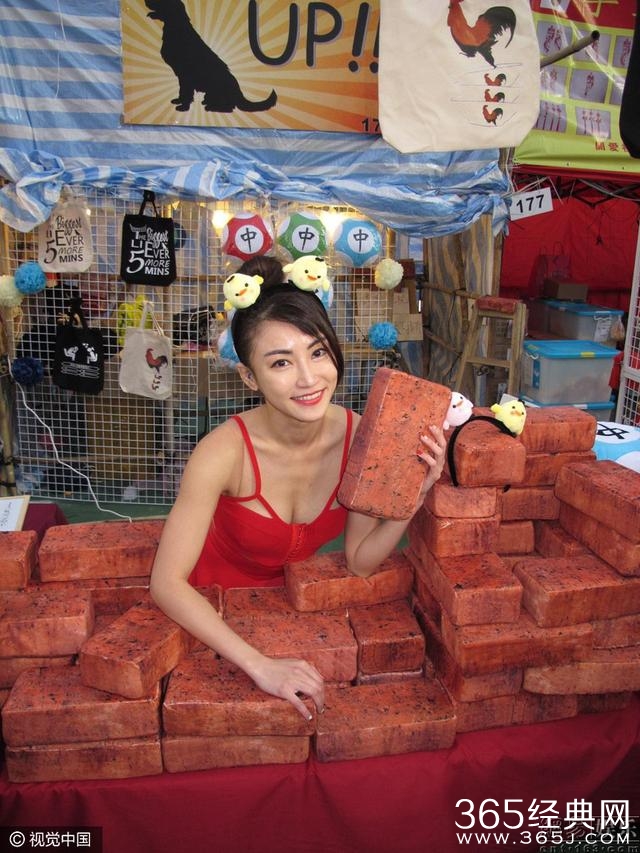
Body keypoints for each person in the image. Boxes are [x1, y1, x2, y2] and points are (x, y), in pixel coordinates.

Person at [150, 256, 446, 720]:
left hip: (291, 612)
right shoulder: (221, 452)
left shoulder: (360, 438)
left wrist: (415, 494)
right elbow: (166, 583)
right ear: (249, 376)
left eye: (318, 352)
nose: (308, 379)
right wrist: (259, 665)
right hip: (208, 614)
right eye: (281, 362)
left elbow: (360, 561)